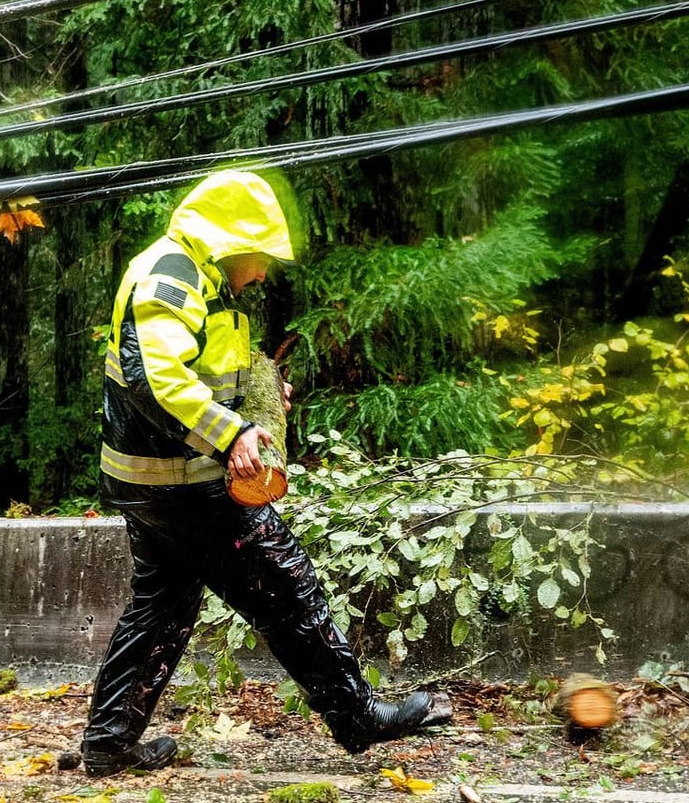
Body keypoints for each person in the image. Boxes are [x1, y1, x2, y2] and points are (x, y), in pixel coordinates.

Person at [80, 170, 450, 777]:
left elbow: (199, 372)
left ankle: (109, 741)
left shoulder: (195, 277)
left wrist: (259, 404)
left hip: (153, 478)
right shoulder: (171, 274)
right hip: (183, 482)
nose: (262, 274)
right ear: (231, 242)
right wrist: (232, 434)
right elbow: (156, 376)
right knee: (290, 586)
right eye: (260, 260)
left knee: (163, 605)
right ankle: (358, 717)